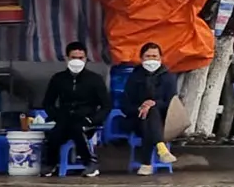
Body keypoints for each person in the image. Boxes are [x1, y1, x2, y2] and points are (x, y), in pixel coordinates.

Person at [40, 40, 109, 178]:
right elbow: (48, 103)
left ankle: (90, 163)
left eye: (80, 58)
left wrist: (93, 119)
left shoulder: (95, 79)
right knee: (54, 134)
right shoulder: (58, 79)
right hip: (64, 118)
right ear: (66, 58)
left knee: (79, 130)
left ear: (86, 59)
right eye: (73, 58)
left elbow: (106, 105)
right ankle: (50, 164)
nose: (77, 61)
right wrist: (56, 116)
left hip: (86, 120)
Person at [121, 42, 179, 175]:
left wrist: (153, 104)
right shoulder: (134, 77)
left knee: (151, 114)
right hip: (136, 119)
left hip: (162, 121)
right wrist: (141, 107)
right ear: (141, 58)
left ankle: (146, 164)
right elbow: (126, 105)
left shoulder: (168, 77)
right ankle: (161, 148)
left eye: (154, 56)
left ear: (160, 58)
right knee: (147, 117)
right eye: (148, 56)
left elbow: (171, 103)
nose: (151, 59)